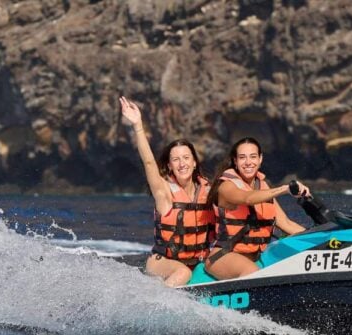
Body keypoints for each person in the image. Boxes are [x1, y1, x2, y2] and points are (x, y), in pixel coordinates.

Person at [119, 96, 215, 287]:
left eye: (186, 158)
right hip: (163, 262)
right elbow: (148, 162)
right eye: (176, 160)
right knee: (182, 272)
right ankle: (158, 307)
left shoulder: (208, 191)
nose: (182, 164)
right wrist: (138, 125)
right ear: (170, 166)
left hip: (197, 260)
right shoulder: (164, 192)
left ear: (195, 162)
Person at [205, 137, 310, 280]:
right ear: (235, 161)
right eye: (242, 157)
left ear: (260, 159)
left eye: (253, 156)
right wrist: (286, 189)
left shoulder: (262, 187)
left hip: (256, 256)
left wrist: (321, 239)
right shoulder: (226, 186)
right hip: (223, 256)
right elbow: (247, 198)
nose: (248, 162)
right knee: (252, 272)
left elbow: (286, 224)